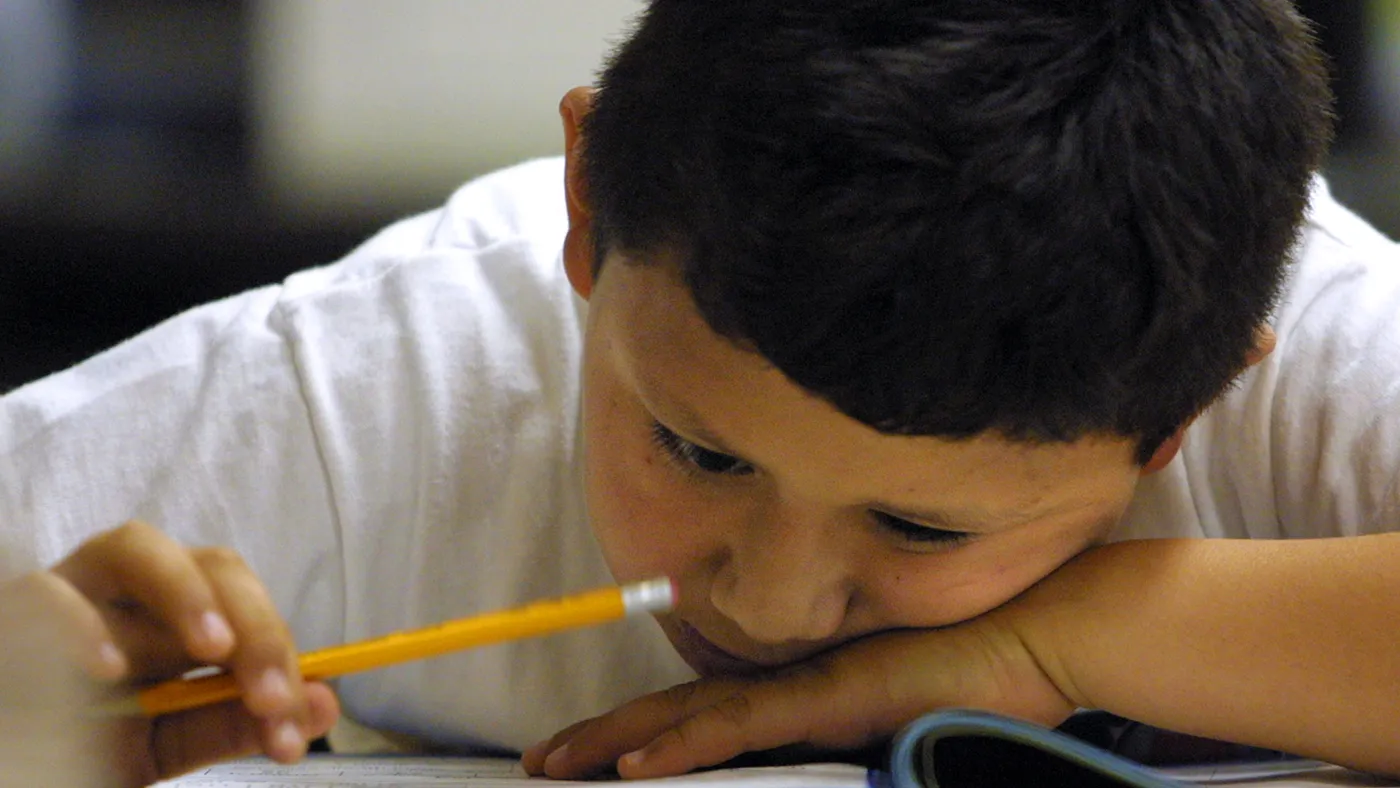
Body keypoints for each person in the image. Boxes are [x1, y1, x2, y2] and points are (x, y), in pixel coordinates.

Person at [3, 0, 1398, 784]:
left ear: (1201, 403)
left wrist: (1067, 640)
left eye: (923, 531)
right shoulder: (366, 389)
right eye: (693, 448)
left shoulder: (1304, 342)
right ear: (588, 206)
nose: (768, 604)